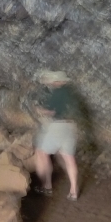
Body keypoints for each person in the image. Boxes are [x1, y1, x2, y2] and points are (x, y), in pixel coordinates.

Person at [33, 70, 80, 201]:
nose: (51, 83)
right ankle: (74, 191)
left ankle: (46, 186)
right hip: (71, 127)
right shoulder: (72, 94)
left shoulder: (58, 92)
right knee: (69, 159)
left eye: (53, 81)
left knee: (41, 153)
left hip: (58, 126)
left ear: (58, 82)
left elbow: (52, 112)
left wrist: (39, 110)